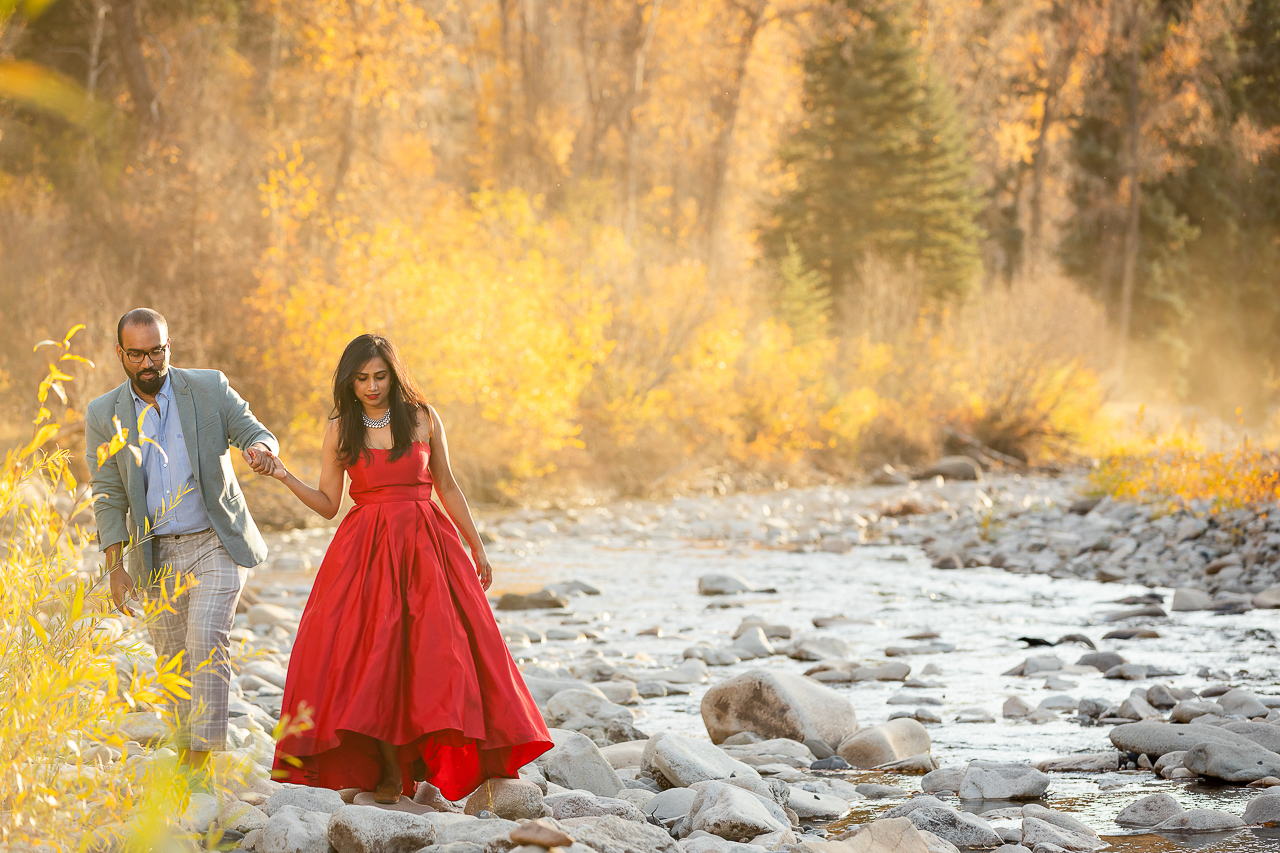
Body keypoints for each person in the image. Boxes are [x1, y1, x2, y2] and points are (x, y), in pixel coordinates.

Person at [256, 333, 551, 804]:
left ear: (394, 375)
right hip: (365, 553)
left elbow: (448, 486)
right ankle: (389, 772)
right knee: (372, 661)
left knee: (436, 656)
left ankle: (438, 758)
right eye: (361, 379)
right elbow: (328, 503)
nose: (371, 386)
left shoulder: (422, 418)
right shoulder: (340, 426)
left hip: (427, 547)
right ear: (348, 382)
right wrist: (281, 472)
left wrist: (478, 548)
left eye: (379, 376)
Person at [85, 308, 278, 767]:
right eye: (138, 355)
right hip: (153, 554)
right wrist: (115, 569)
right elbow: (108, 494)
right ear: (121, 354)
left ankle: (199, 764)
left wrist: (262, 449)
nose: (150, 363)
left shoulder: (208, 388)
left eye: (158, 351)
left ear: (168, 346)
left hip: (215, 540)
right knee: (172, 660)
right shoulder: (102, 413)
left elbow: (252, 427)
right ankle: (186, 747)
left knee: (206, 639)